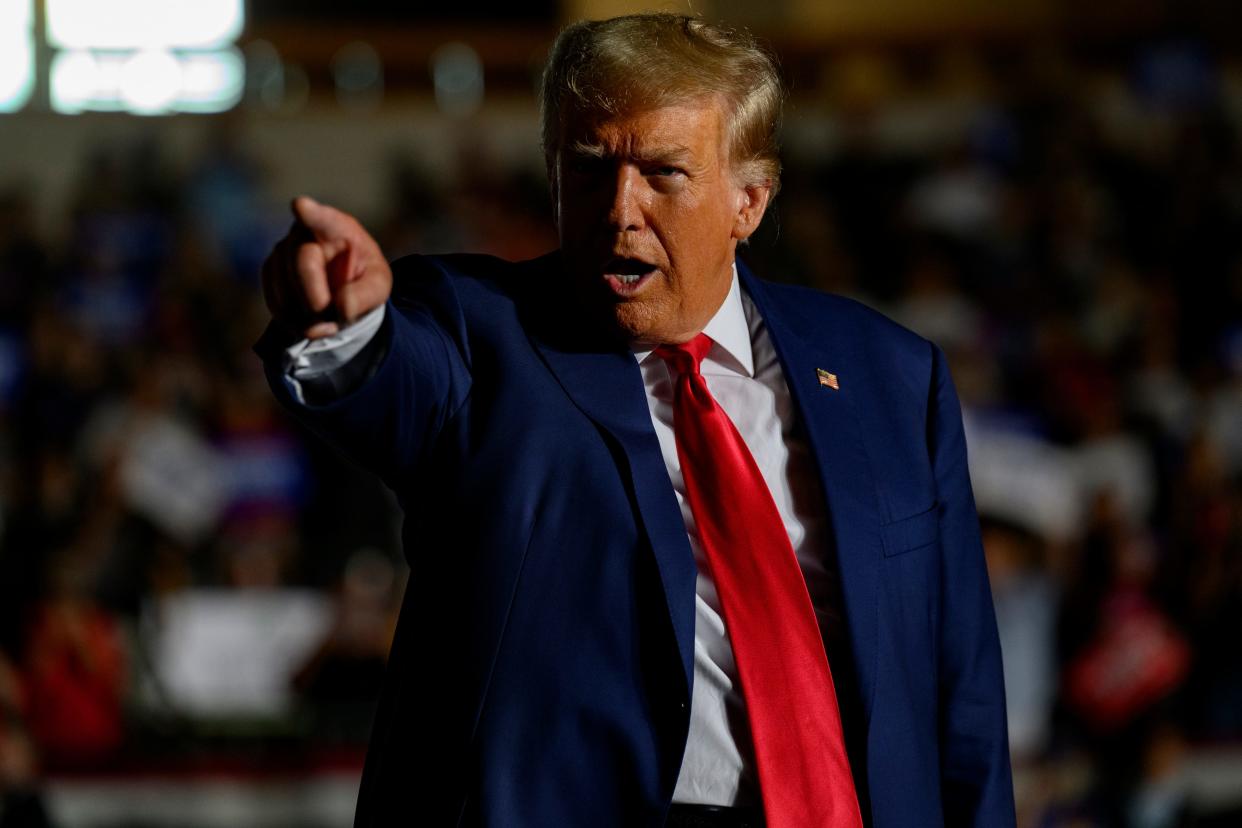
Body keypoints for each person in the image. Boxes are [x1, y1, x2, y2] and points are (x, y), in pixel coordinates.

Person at [256, 13, 1015, 828]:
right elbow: (393, 382)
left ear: (747, 202)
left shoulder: (890, 377)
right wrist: (349, 327)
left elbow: (959, 691)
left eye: (662, 172)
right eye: (589, 168)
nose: (619, 208)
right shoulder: (479, 333)